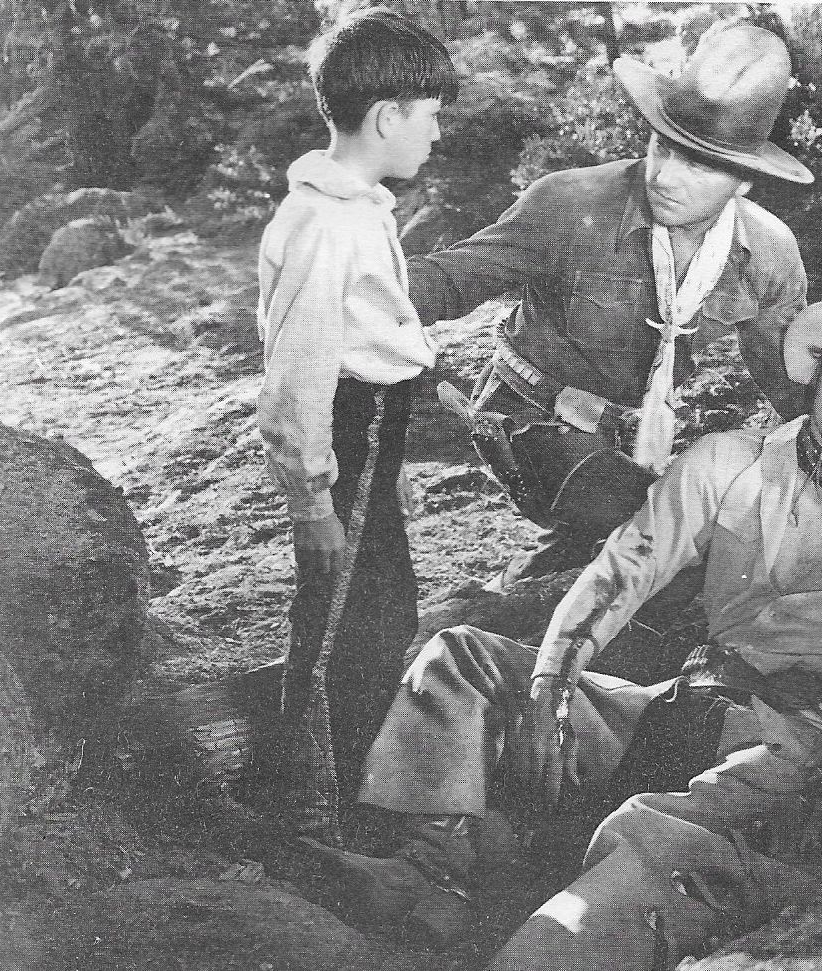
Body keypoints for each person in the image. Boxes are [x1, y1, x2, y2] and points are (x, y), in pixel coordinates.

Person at [306, 279, 822, 966]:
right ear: (815, 377)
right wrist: (553, 677)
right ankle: (433, 877)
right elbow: (624, 567)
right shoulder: (731, 462)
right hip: (679, 704)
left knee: (625, 860)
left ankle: (533, 941)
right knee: (463, 658)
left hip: (800, 747)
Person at [405, 22, 822, 585]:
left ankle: (541, 582)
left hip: (635, 437)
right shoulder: (571, 202)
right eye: (662, 147)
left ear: (745, 180)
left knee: (668, 533)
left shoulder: (767, 255)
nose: (665, 177)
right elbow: (445, 282)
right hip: (528, 417)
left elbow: (792, 388)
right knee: (668, 530)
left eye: (699, 163)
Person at [255, 8, 457, 842]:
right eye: (431, 115)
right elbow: (296, 374)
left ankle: (349, 796)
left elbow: (378, 326)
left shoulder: (356, 205)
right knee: (345, 620)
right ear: (385, 117)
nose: (438, 134)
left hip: (374, 426)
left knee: (386, 607)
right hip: (347, 428)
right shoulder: (325, 222)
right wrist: (312, 500)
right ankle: (314, 817)